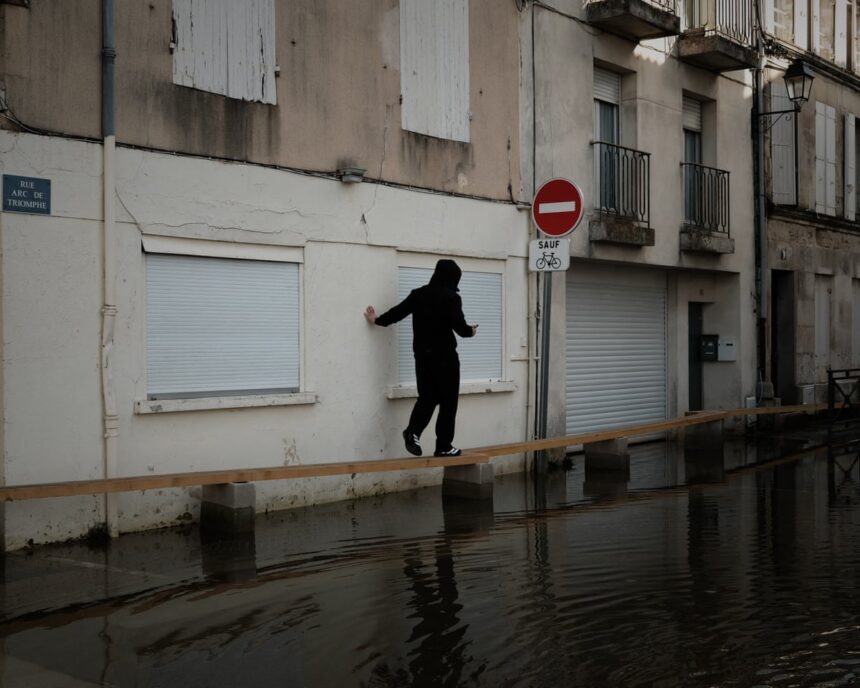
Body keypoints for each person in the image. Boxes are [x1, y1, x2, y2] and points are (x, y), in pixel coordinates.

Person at [365, 259, 478, 457]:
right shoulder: (452, 298)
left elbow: (397, 313)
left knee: (428, 398)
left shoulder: (418, 294)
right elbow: (460, 328)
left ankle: (413, 431)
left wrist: (377, 320)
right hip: (446, 358)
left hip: (423, 357)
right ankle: (443, 446)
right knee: (448, 402)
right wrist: (471, 331)